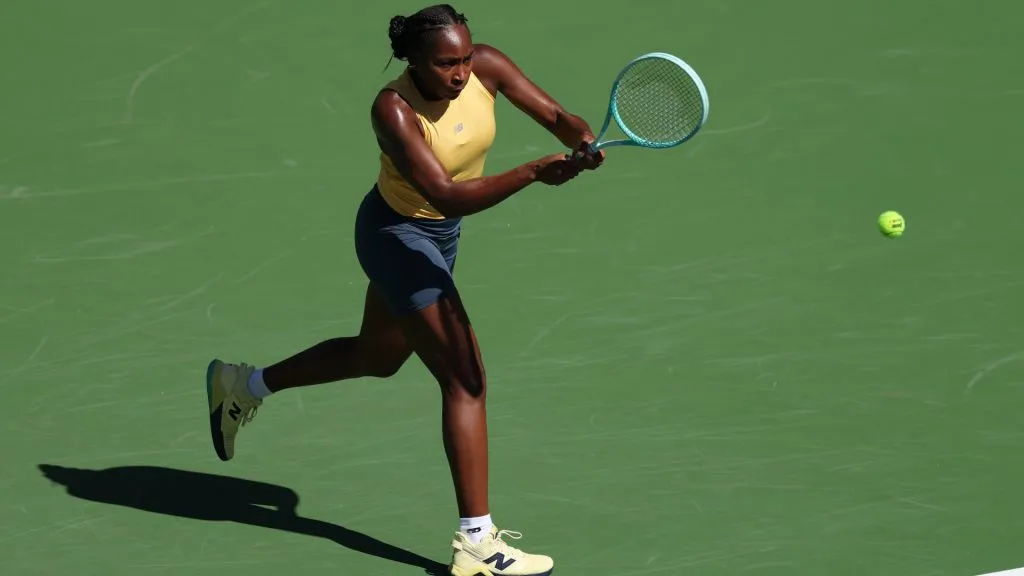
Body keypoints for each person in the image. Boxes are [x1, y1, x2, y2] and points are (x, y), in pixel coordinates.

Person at [204, 4, 603, 575]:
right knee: (465, 379)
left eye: (465, 58)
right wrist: (534, 172)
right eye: (445, 64)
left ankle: (242, 385)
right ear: (413, 60)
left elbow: (557, 115)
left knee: (378, 357)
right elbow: (445, 194)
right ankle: (476, 541)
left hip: (440, 237)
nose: (461, 73)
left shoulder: (487, 66)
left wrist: (581, 138)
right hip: (397, 237)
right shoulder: (392, 109)